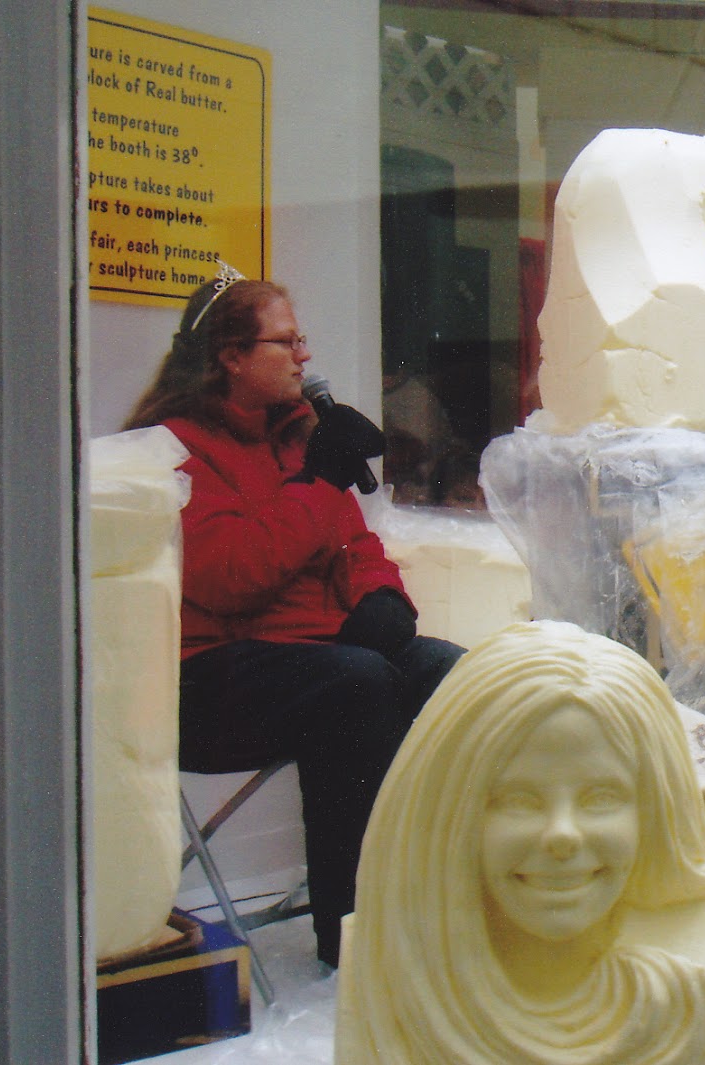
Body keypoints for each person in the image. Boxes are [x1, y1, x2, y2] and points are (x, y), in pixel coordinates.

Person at [122, 264, 465, 967]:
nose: (305, 356)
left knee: (448, 670)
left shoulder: (298, 437)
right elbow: (230, 576)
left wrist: (383, 600)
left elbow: (358, 546)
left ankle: (443, 895)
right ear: (233, 357)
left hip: (318, 658)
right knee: (356, 681)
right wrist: (316, 483)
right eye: (287, 342)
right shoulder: (174, 447)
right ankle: (357, 928)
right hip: (210, 679)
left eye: (302, 339)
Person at [335, 621, 705, 1065]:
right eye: (518, 800)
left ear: (651, 810)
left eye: (601, 798)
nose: (562, 834)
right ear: (453, 812)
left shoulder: (688, 1002)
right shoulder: (390, 982)